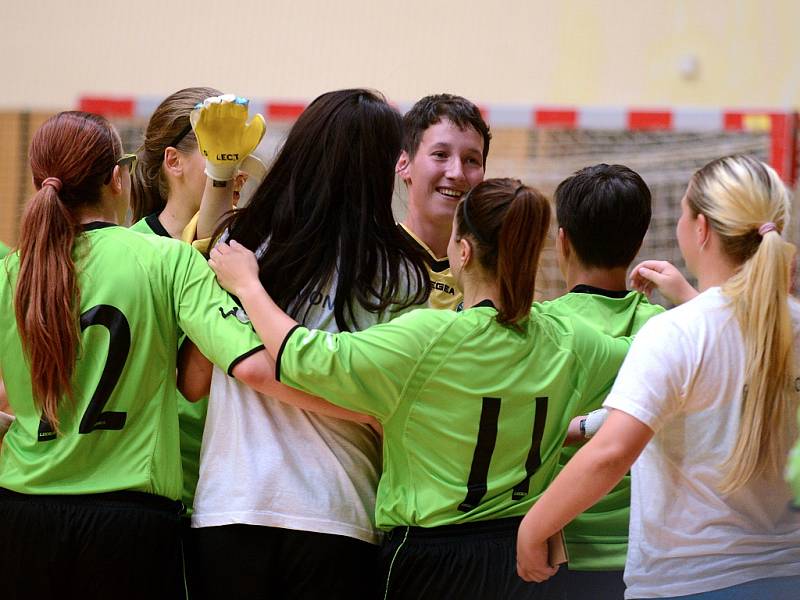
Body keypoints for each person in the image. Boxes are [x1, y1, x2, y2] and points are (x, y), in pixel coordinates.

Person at [207, 177, 630, 600]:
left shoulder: (429, 337)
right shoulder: (568, 339)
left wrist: (248, 285)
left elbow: (303, 357)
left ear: (462, 251)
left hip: (431, 559)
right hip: (520, 559)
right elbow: (652, 363)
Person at [0, 111, 274, 599]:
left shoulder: (12, 273)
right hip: (128, 522)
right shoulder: (165, 260)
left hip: (20, 512)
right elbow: (243, 362)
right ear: (116, 178)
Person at [517, 155, 800, 599]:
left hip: (689, 580)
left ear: (701, 229)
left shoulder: (674, 332)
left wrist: (533, 530)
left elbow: (612, 454)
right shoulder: (776, 325)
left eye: (685, 211)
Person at [188, 88, 430, 600]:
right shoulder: (403, 272)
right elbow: (378, 402)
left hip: (234, 505)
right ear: (382, 166)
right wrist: (360, 413)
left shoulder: (239, 244)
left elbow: (194, 378)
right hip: (338, 511)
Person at [535, 164, 663, 599]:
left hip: (557, 545)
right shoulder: (665, 326)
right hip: (644, 551)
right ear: (640, 240)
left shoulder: (538, 327)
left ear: (562, 241)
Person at [396, 94, 490, 309]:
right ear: (403, 164)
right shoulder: (372, 258)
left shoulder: (495, 271)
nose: (457, 173)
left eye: (471, 160)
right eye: (440, 154)